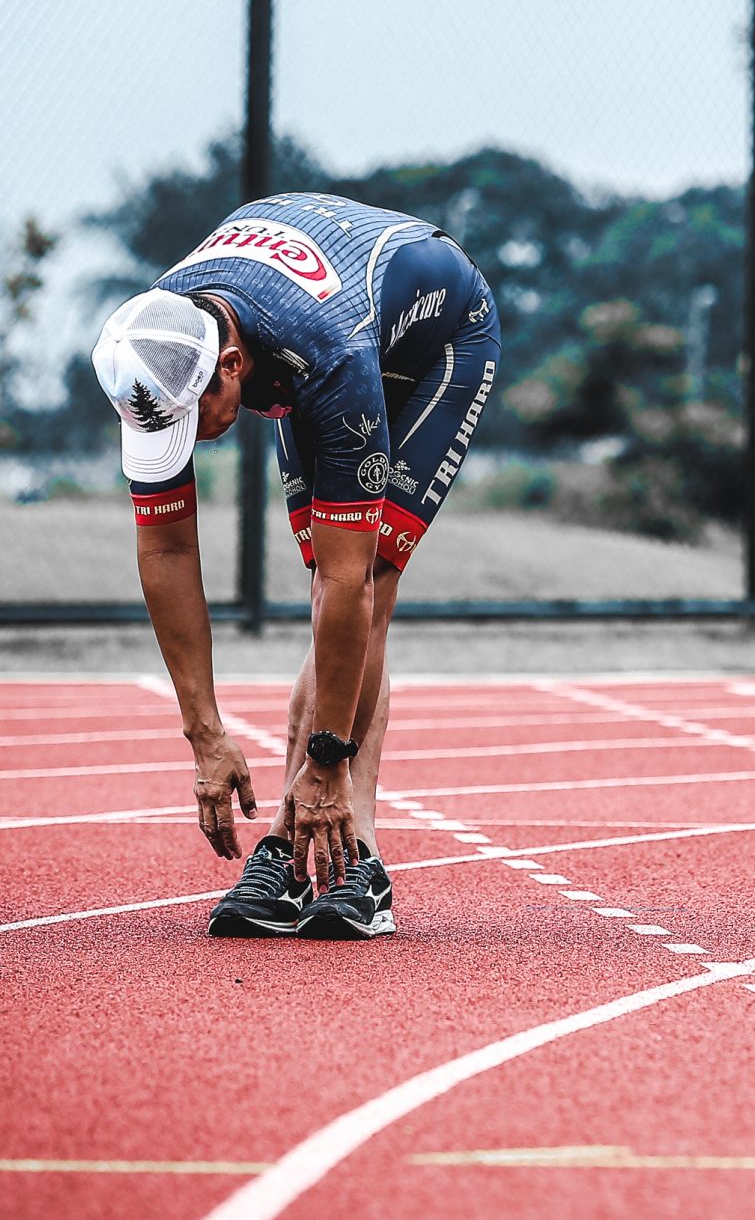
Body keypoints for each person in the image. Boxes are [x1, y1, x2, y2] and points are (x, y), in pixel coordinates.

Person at [90, 192, 501, 939]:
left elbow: (347, 588)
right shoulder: (154, 343)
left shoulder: (328, 359)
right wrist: (204, 733)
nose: (188, 440)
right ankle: (293, 842)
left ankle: (352, 857)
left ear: (232, 365)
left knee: (366, 573)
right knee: (331, 577)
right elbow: (166, 547)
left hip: (436, 341)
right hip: (307, 327)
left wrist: (327, 760)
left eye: (195, 420)